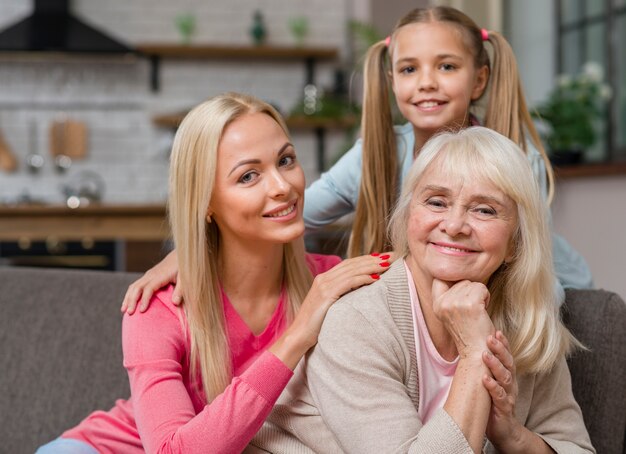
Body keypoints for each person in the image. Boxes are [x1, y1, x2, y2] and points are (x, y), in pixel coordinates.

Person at [120, 6, 592, 314]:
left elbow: (534, 278)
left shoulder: (514, 159)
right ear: (391, 80)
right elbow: (289, 211)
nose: (426, 82)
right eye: (410, 69)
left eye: (446, 66)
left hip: (549, 290)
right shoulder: (378, 150)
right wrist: (190, 252)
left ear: (479, 80)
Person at [36, 93, 391, 453]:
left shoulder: (333, 284)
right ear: (205, 201)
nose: (283, 186)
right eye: (249, 176)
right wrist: (298, 334)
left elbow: (423, 267)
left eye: (286, 160)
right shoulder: (157, 308)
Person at [249, 127, 594, 453]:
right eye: (436, 202)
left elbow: (575, 446)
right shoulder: (356, 320)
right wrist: (475, 356)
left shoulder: (525, 320)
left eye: (484, 210)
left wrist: (513, 437)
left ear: (517, 242)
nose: (455, 225)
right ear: (408, 216)